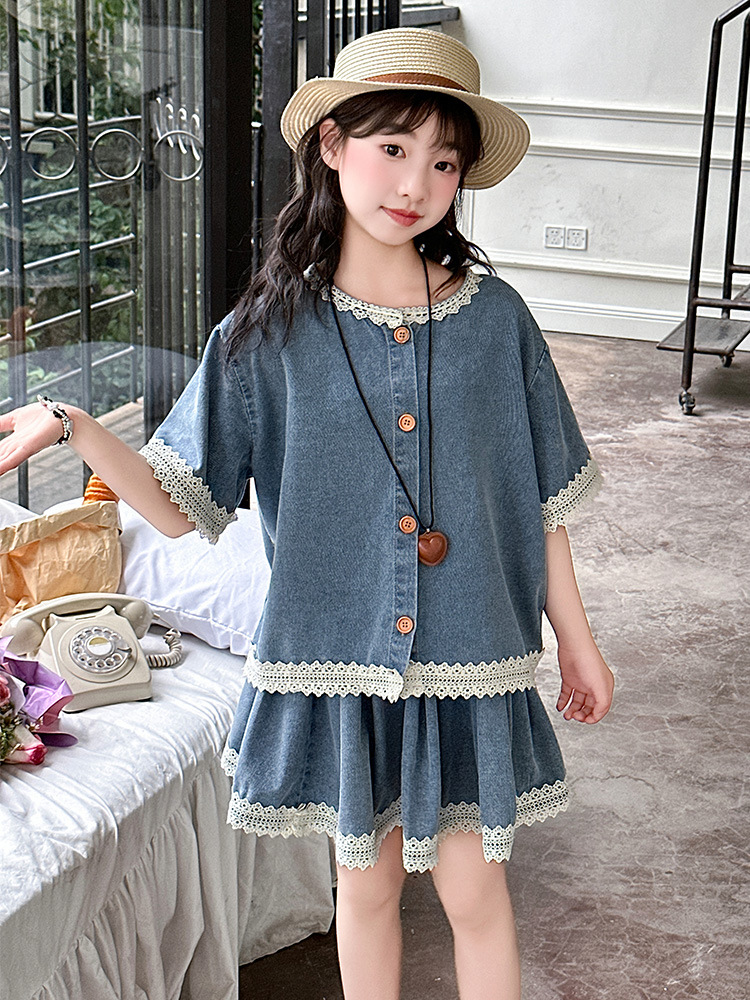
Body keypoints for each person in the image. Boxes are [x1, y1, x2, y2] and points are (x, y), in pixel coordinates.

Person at [0, 27, 614, 1000]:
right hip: (332, 665)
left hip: (474, 657)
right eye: (393, 146)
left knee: (475, 891)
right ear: (332, 144)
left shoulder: (496, 321)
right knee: (364, 890)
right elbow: (177, 506)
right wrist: (76, 425)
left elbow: (543, 496)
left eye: (443, 160)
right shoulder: (265, 336)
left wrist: (575, 641)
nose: (416, 181)